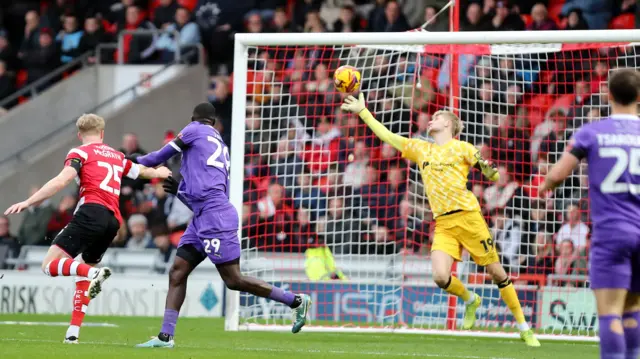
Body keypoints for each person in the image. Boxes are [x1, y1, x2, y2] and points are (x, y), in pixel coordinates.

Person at [340, 94, 540, 347]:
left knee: (496, 272)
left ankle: (524, 327)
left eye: (437, 117)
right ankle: (470, 300)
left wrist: (490, 171)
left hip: (469, 219)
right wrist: (363, 111)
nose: (431, 119)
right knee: (439, 276)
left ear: (449, 124)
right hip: (443, 224)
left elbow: (493, 174)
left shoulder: (463, 147)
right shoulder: (421, 149)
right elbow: (388, 137)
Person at [133, 103, 311, 349]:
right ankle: (166, 336)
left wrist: (130, 163)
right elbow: (207, 194)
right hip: (204, 216)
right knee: (177, 271)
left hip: (214, 217)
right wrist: (181, 191)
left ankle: (296, 301)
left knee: (233, 280)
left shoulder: (194, 130)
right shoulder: (218, 145)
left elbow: (158, 157)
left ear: (194, 119)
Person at [4, 113, 172, 344]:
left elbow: (62, 181)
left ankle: (94, 274)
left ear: (79, 134)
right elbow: (143, 171)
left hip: (90, 212)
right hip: (113, 221)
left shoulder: (79, 153)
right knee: (82, 271)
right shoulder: (116, 155)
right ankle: (73, 332)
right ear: (102, 134)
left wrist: (29, 201)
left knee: (48, 266)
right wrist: (160, 173)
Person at [540, 69, 640, 359]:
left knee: (610, 313)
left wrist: (546, 184)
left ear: (608, 95)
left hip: (611, 234)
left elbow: (558, 174)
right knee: (633, 309)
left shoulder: (591, 132)